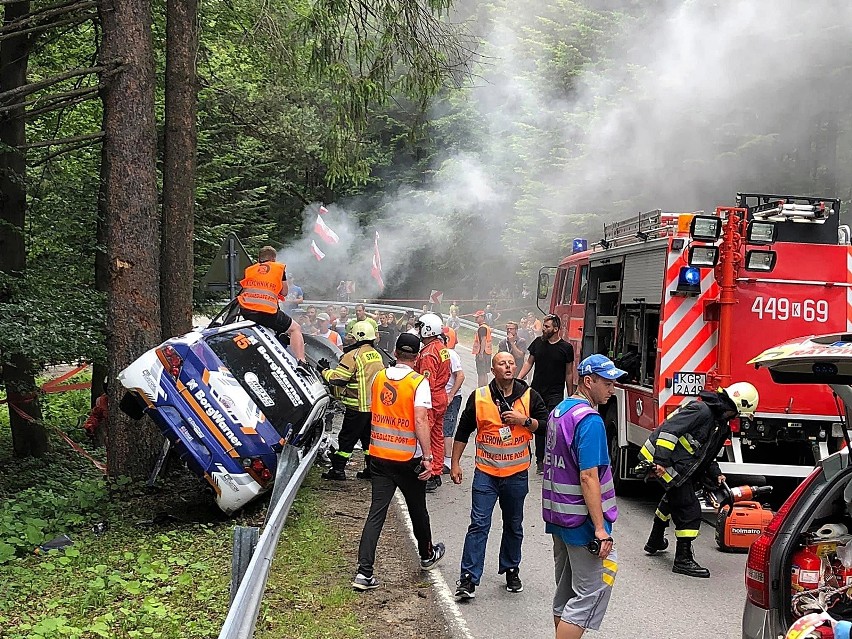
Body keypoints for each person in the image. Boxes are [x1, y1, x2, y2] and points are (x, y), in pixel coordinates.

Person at [451, 352, 549, 599]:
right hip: (486, 473)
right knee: (479, 524)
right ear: (493, 369)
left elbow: (547, 426)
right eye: (502, 363)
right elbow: (463, 430)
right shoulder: (480, 397)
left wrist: (524, 421)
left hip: (516, 474)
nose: (507, 367)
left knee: (514, 524)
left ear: (515, 368)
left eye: (511, 363)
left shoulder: (529, 396)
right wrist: (454, 463)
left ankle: (511, 569)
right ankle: (468, 579)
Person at [352, 333, 445, 590]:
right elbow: (421, 421)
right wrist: (428, 458)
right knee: (418, 509)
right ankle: (427, 555)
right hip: (407, 458)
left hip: (379, 455)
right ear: (417, 356)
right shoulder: (418, 382)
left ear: (395, 351)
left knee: (376, 513)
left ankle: (364, 572)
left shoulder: (379, 377)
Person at [639, 381, 759, 578]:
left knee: (673, 498)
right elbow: (669, 431)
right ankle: (683, 560)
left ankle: (655, 540)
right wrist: (660, 461)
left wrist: (715, 474)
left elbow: (706, 455)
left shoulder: (720, 425)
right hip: (661, 460)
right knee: (689, 508)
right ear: (738, 406)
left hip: (676, 463)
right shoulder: (701, 410)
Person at [544, 354, 625, 639]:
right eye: (606, 382)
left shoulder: (560, 411)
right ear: (588, 382)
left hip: (558, 516)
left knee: (567, 592)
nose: (612, 388)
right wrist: (600, 529)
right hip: (581, 522)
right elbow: (588, 476)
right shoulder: (590, 421)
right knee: (591, 592)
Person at [318, 321, 386, 480]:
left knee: (346, 439)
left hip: (356, 408)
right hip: (372, 407)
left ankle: (338, 470)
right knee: (368, 440)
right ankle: (371, 470)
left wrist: (324, 371)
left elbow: (338, 379)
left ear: (358, 336)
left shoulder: (353, 355)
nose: (349, 339)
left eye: (351, 336)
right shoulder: (376, 354)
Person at [517, 314, 574, 474]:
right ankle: (540, 460)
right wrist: (518, 379)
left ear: (556, 329)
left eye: (547, 326)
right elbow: (529, 362)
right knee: (540, 425)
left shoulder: (566, 348)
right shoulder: (537, 343)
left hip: (555, 393)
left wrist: (571, 396)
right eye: (543, 325)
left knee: (552, 426)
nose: (543, 328)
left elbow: (569, 373)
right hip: (537, 392)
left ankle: (553, 457)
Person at [237, 246, 306, 365]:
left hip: (246, 310)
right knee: (295, 329)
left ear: (259, 259)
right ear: (274, 259)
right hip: (265, 311)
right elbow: (284, 292)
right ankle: (301, 362)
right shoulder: (278, 268)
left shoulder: (250, 269)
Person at [414, 313, 452, 492]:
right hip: (441, 395)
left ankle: (428, 472)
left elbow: (426, 381)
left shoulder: (428, 353)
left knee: (426, 435)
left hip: (431, 397)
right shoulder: (441, 347)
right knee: (437, 436)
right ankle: (436, 472)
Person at [442, 337, 465, 474]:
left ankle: (448, 460)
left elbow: (460, 376)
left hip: (452, 396)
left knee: (448, 428)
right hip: (439, 396)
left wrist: (451, 395)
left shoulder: (450, 354)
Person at [471, 310, 492, 387]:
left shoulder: (482, 328)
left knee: (481, 373)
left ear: (482, 317)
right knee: (485, 373)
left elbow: (483, 340)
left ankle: (480, 389)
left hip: (483, 353)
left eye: (477, 317)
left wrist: (480, 353)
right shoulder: (487, 327)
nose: (476, 319)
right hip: (488, 352)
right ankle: (485, 388)